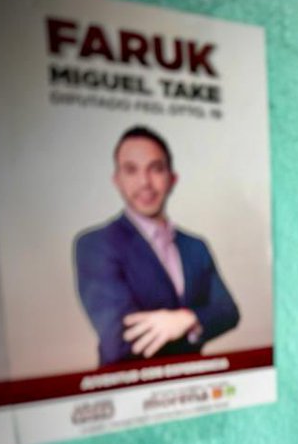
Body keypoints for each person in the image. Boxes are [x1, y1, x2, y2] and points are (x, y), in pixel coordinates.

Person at [74, 126, 240, 366]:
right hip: (129, 390)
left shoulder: (196, 246)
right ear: (117, 180)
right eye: (131, 170)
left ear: (172, 179)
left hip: (193, 387)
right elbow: (122, 340)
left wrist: (186, 319)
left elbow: (228, 312)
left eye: (156, 169)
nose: (145, 183)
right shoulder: (96, 244)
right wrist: (198, 321)